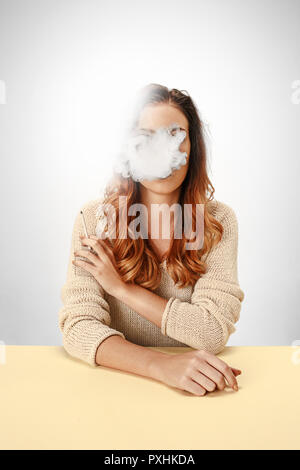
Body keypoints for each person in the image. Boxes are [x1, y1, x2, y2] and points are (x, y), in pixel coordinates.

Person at [58, 83, 245, 396]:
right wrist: (161, 366)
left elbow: (212, 332)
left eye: (175, 135)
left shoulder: (217, 223)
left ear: (192, 149)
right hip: (112, 389)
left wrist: (121, 289)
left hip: (197, 392)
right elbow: (78, 327)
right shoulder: (94, 220)